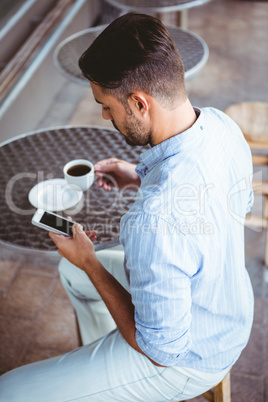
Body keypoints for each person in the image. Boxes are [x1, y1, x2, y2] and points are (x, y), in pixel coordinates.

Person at [0, 12, 254, 402]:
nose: (105, 116)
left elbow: (161, 351)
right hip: (228, 311)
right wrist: (139, 175)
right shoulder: (221, 127)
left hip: (186, 358)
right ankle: (102, 371)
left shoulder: (154, 218)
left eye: (107, 105)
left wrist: (91, 262)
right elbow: (231, 202)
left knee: (11, 391)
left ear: (139, 102)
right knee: (73, 275)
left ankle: (112, 377)